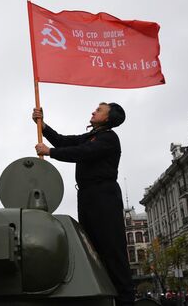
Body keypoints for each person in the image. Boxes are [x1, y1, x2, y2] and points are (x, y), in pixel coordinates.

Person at [33, 102, 134, 306]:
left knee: (112, 252)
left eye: (99, 110)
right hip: (87, 197)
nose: (93, 111)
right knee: (92, 250)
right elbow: (65, 142)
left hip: (103, 197)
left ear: (107, 118)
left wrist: (50, 152)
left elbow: (83, 153)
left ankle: (125, 302)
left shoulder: (109, 138)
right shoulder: (91, 136)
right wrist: (42, 126)